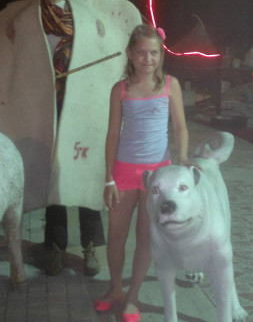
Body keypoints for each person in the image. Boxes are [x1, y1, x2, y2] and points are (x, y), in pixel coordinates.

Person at [96, 24, 189, 322]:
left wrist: (183, 160)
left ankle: (133, 296)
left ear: (161, 54)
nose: (148, 58)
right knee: (115, 235)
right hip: (123, 172)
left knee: (145, 237)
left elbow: (180, 127)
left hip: (157, 177)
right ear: (130, 54)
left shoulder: (171, 85)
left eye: (154, 53)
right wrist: (108, 178)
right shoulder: (120, 89)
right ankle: (115, 289)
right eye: (141, 53)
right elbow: (112, 135)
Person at [30, 0, 105, 277]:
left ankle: (90, 246)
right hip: (50, 106)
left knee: (85, 172)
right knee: (56, 176)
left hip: (84, 104)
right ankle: (56, 245)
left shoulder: (84, 16)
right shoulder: (31, 19)